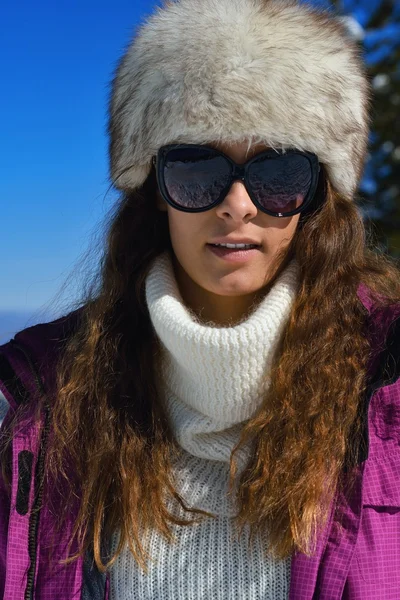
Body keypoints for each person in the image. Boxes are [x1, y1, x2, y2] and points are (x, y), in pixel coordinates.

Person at [1, 0, 400, 598]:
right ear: (156, 190)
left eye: (280, 174)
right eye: (195, 168)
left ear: (318, 197)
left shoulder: (386, 388)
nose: (237, 204)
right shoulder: (45, 402)